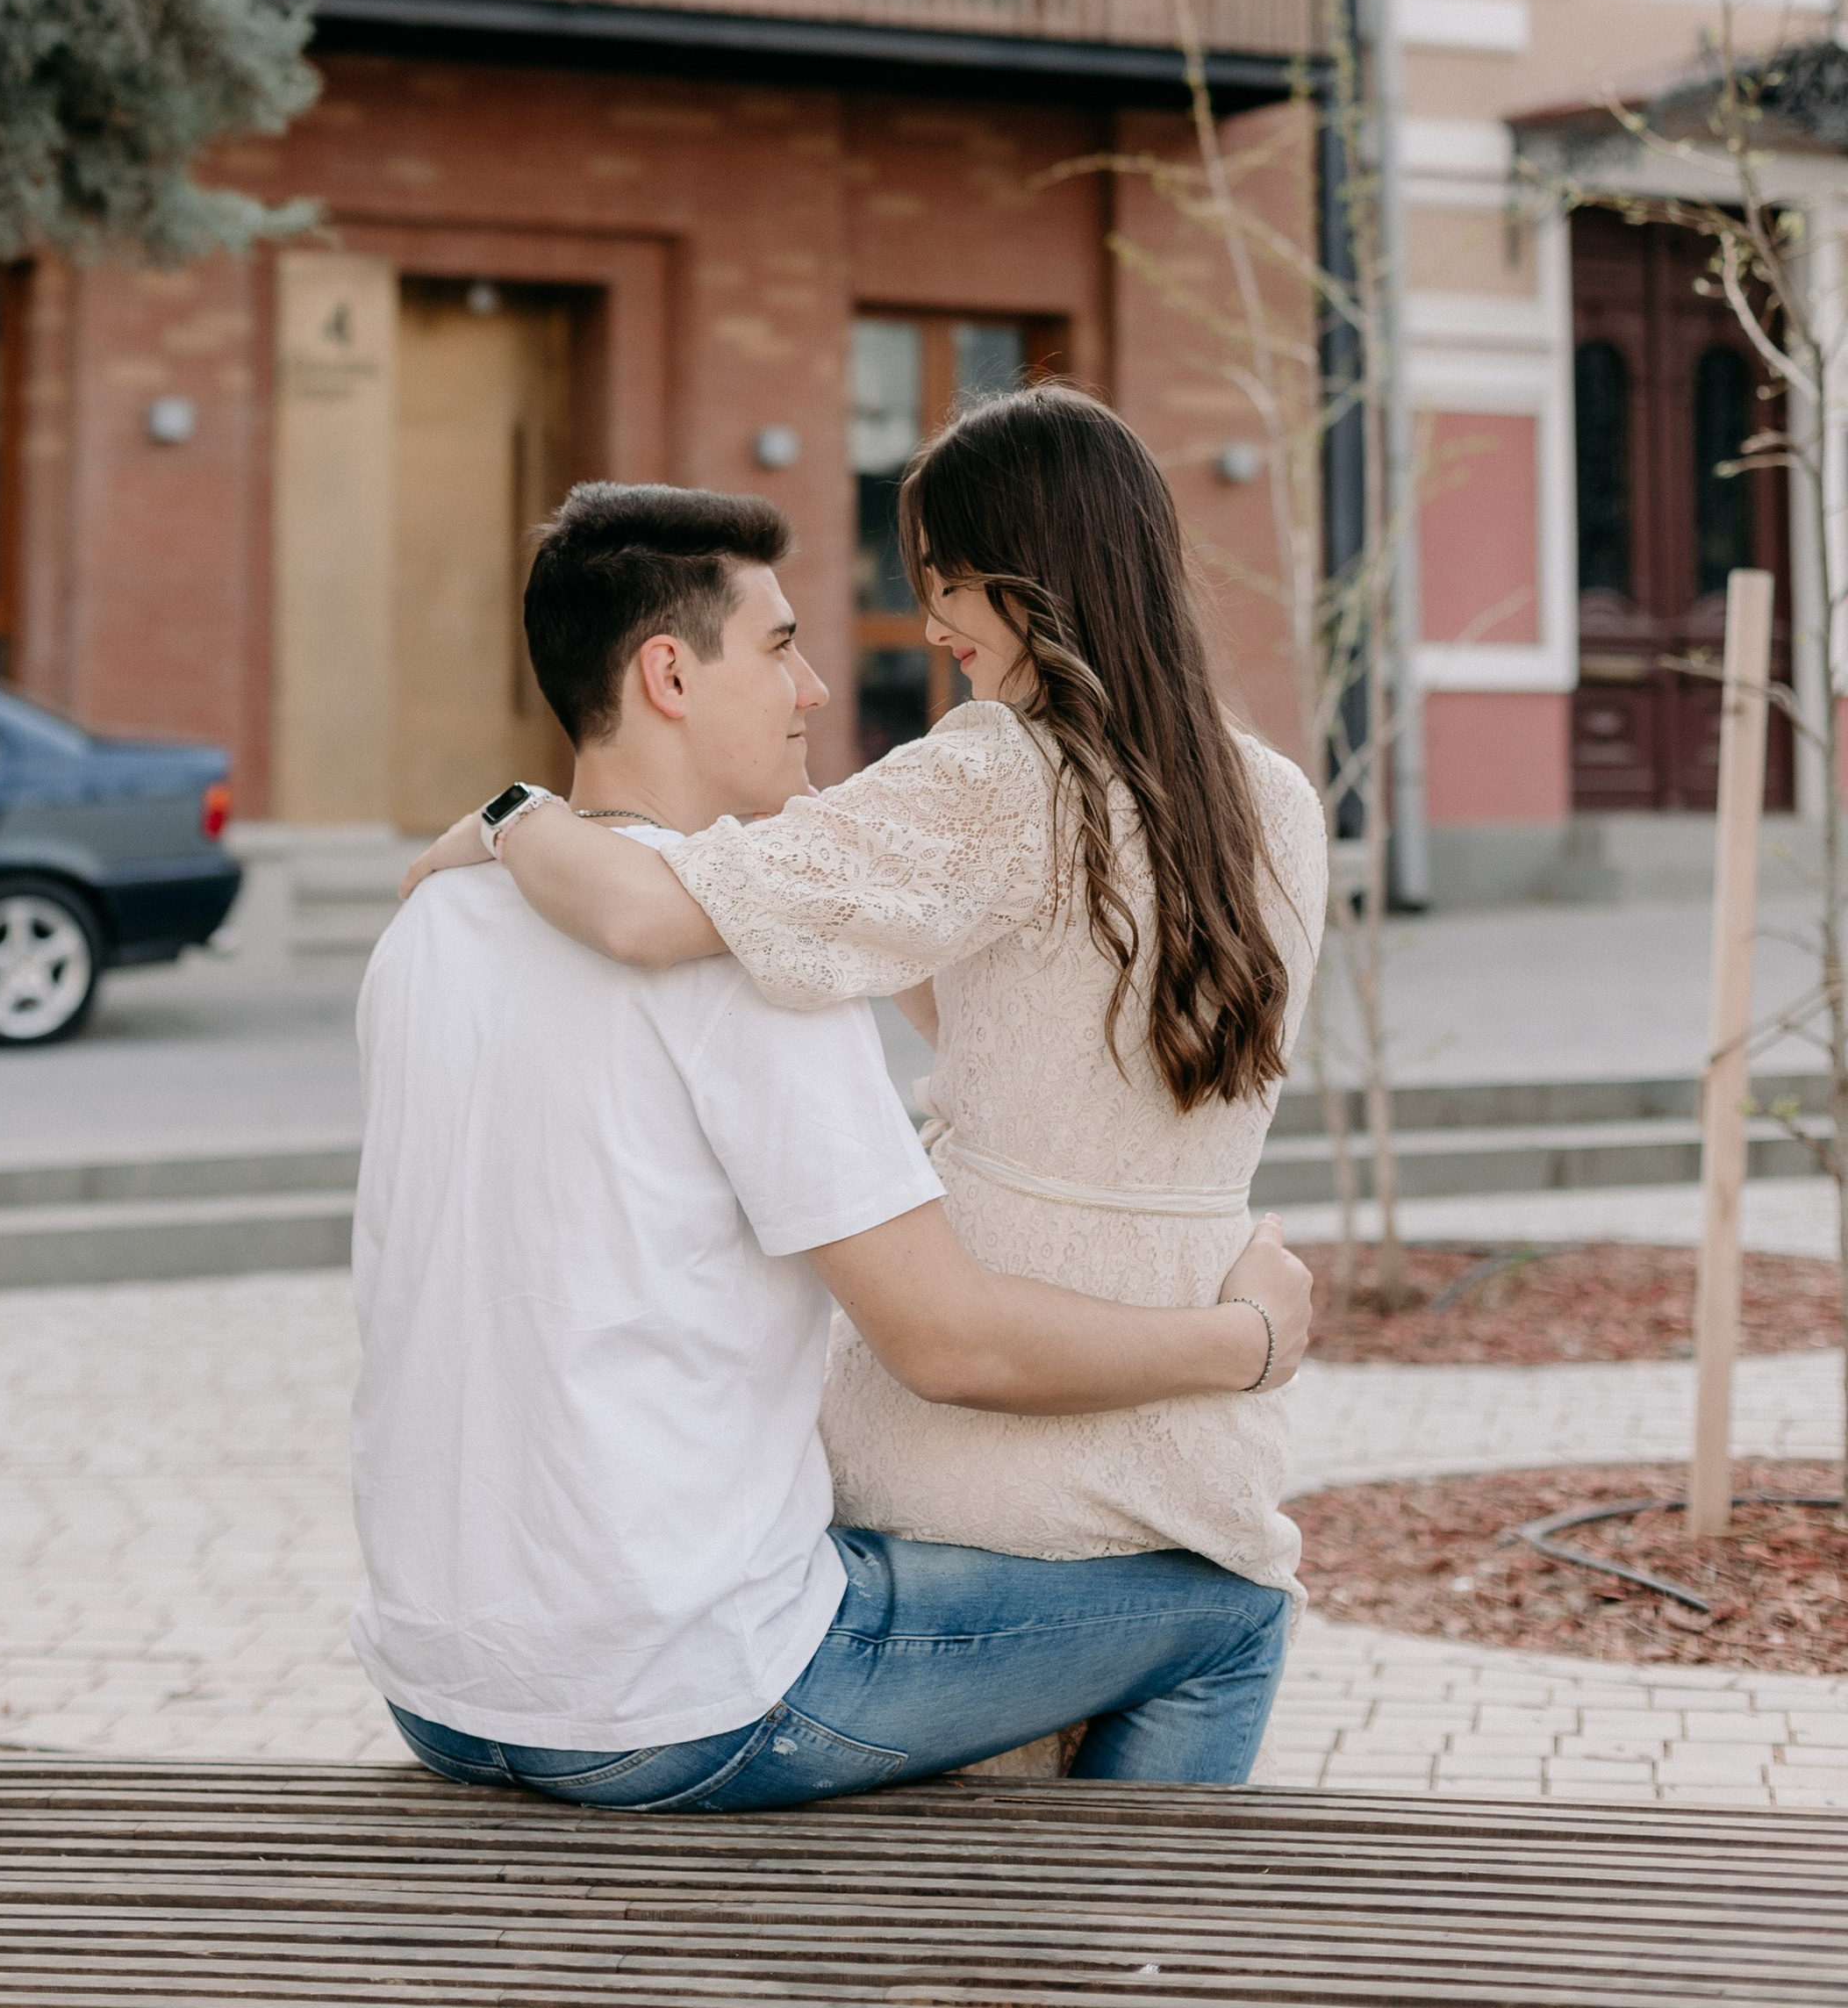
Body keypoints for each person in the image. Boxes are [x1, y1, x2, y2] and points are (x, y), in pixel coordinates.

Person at [357, 482, 1311, 1812]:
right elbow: (949, 1344)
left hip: (441, 1685)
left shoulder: (428, 928)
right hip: (682, 1699)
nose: (814, 689)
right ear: (669, 675)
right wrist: (1244, 1342)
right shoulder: (752, 970)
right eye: (780, 648)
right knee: (1229, 1615)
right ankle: (1090, 1935)